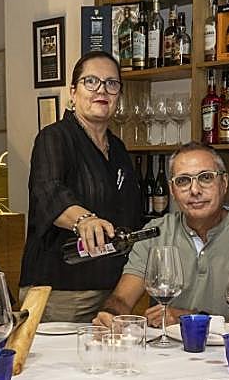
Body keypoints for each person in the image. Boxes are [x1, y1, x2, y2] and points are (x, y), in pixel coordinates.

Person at [19, 50, 144, 322]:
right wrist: (84, 219)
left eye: (112, 83)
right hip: (61, 293)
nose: (102, 90)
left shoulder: (119, 150)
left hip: (112, 293)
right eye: (91, 81)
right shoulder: (54, 138)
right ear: (73, 92)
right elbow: (47, 191)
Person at [93, 142, 229, 327]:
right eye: (183, 181)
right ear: (172, 190)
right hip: (165, 352)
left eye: (205, 178)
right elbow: (122, 299)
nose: (195, 190)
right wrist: (110, 314)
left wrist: (191, 320)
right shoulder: (154, 233)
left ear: (224, 183)